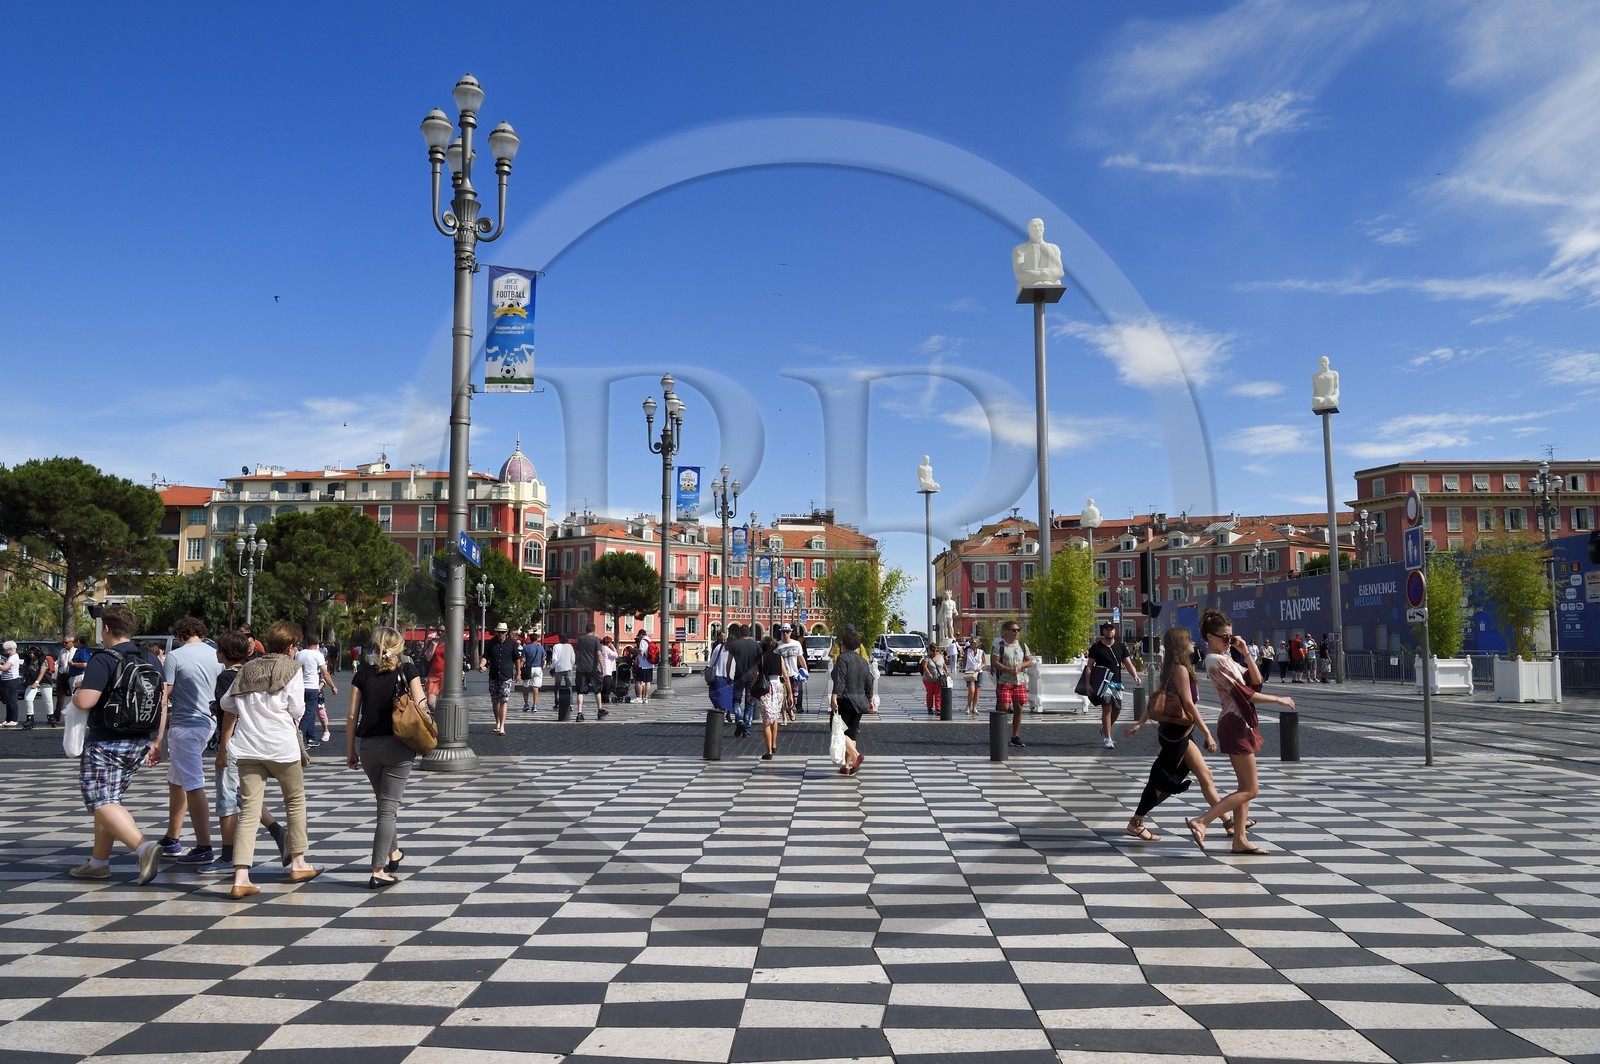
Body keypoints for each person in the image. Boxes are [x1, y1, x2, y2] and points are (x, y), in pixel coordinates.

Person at [217, 621, 321, 898]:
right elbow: (297, 708)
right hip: (282, 747)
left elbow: (227, 704)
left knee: (249, 811)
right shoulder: (292, 669)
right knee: (295, 801)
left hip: (248, 746)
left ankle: (241, 876)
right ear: (290, 647)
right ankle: (298, 863)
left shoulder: (248, 669)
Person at [67, 604, 167, 884]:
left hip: (106, 740)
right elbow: (162, 702)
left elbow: (87, 701)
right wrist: (157, 740)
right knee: (111, 801)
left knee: (99, 800)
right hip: (139, 739)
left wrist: (75, 695)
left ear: (106, 628)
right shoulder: (149, 657)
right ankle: (99, 862)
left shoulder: (104, 658)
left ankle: (143, 847)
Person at [1187, 610, 1295, 856]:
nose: (1228, 642)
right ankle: (1202, 821)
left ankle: (1240, 839)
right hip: (1234, 723)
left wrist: (1245, 652)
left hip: (1241, 721)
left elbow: (1254, 682)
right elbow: (1244, 693)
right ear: (1208, 637)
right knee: (1251, 789)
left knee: (1244, 786)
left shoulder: (1227, 659)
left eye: (1230, 637)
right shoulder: (1214, 661)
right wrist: (1278, 699)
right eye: (1223, 638)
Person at [1121, 627, 1220, 842]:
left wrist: (1140, 723)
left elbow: (1159, 697)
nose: (1194, 642)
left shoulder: (1174, 667)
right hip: (1177, 733)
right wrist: (1208, 732)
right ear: (1180, 644)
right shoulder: (1180, 669)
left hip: (1179, 732)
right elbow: (1189, 704)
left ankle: (1229, 821)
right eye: (1189, 639)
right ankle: (1136, 822)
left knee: (1205, 775)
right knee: (1162, 781)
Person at [346, 626, 424, 889]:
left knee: (384, 804)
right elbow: (422, 704)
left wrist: (350, 750)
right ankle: (378, 870)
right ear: (399, 647)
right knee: (388, 810)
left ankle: (394, 853)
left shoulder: (362, 674)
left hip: (368, 748)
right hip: (398, 747)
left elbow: (351, 716)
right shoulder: (408, 671)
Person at [210, 630, 286, 873]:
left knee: (227, 800)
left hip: (233, 742)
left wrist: (223, 748)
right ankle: (278, 832)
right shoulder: (253, 672)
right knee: (245, 797)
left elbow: (230, 714)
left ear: (221, 653)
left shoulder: (226, 678)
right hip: (253, 741)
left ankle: (228, 855)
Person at [155, 617, 224, 866]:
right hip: (209, 722)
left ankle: (204, 846)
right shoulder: (215, 653)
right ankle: (172, 837)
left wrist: (158, 738)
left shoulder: (175, 656)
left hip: (185, 724)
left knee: (193, 784)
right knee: (177, 779)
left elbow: (165, 696)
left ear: (180, 634)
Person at [1088, 622, 1142, 750]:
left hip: (1117, 683)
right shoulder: (1096, 647)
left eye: (1111, 629)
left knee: (1117, 710)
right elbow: (1089, 666)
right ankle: (1108, 737)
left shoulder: (1121, 647)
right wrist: (1087, 683)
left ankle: (1104, 729)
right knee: (1107, 708)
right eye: (1106, 630)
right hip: (1103, 683)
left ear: (1114, 631)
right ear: (1103, 632)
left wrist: (1135, 676)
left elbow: (1128, 664)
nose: (1109, 632)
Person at [828, 629, 873, 775]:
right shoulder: (863, 661)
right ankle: (846, 766)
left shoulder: (842, 658)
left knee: (838, 730)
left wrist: (834, 696)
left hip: (846, 699)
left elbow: (840, 680)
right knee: (851, 734)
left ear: (843, 645)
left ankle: (856, 756)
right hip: (860, 701)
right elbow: (869, 681)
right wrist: (870, 698)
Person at [992, 621, 1034, 748]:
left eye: (1018, 630)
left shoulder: (1022, 645)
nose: (1016, 632)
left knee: (1019, 708)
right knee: (1004, 707)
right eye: (1014, 630)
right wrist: (1006, 669)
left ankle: (1015, 736)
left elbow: (1029, 661)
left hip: (1019, 681)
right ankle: (999, 732)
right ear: (1005, 631)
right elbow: (995, 662)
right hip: (1005, 681)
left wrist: (1021, 665)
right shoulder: (999, 646)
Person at [293, 635, 337, 748]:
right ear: (317, 643)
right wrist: (333, 686)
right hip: (313, 687)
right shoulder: (318, 655)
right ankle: (299, 735)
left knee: (308, 712)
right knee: (309, 712)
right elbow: (325, 673)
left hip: (300, 686)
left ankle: (310, 738)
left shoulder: (299, 654)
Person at [756, 635, 792, 761]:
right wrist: (790, 694)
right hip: (778, 686)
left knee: (766, 719)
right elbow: (786, 676)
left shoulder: (761, 658)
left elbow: (756, 673)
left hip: (766, 687)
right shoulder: (779, 658)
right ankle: (774, 744)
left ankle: (768, 751)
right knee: (774, 717)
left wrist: (751, 687)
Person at [479, 622, 520, 734]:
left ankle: (502, 726)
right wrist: (481, 665)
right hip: (494, 675)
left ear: (506, 632)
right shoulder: (491, 643)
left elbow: (517, 659)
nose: (500, 634)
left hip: (506, 675)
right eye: (498, 632)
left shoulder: (512, 643)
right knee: (495, 701)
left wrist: (518, 673)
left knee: (504, 700)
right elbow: (485, 656)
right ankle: (497, 722)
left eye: (502, 632)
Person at [725, 624, 762, 739]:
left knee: (736, 701)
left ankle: (739, 720)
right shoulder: (756, 645)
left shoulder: (734, 644)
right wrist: (758, 675)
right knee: (750, 703)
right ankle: (746, 728)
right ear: (750, 633)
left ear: (740, 634)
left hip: (738, 677)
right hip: (752, 678)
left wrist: (727, 675)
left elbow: (729, 661)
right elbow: (760, 663)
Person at [573, 623, 606, 721]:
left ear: (585, 629)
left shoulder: (580, 639)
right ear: (593, 630)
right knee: (597, 689)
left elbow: (578, 652)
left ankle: (579, 713)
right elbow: (599, 654)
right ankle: (600, 710)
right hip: (593, 668)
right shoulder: (595, 640)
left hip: (581, 668)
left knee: (580, 691)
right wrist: (602, 667)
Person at [22, 644, 55, 729]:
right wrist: (25, 678)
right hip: (32, 681)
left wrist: (37, 682)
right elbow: (25, 670)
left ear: (37, 653)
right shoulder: (27, 661)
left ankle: (51, 717)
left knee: (47, 700)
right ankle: (30, 719)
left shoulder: (43, 660)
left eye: (33, 653)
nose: (31, 655)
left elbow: (42, 673)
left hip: (44, 681)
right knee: (28, 698)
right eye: (30, 653)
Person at [776, 623, 802, 720]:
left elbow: (800, 657)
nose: (785, 634)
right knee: (783, 697)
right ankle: (784, 718)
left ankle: (790, 709)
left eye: (787, 632)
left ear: (790, 632)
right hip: (782, 675)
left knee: (794, 697)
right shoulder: (778, 645)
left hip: (794, 674)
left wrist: (805, 669)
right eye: (783, 632)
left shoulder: (796, 643)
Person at [548, 632, 575, 717]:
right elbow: (573, 658)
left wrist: (552, 667)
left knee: (557, 687)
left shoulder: (556, 646)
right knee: (569, 686)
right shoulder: (570, 646)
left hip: (559, 668)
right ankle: (570, 704)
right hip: (568, 667)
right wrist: (571, 665)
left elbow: (554, 659)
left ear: (559, 639)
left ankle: (557, 703)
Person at [519, 632, 545, 712]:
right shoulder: (541, 648)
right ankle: (534, 705)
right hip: (537, 668)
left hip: (528, 668)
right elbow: (543, 659)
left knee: (526, 685)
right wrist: (542, 665)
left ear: (530, 639)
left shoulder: (526, 647)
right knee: (535, 687)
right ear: (537, 639)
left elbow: (523, 660)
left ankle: (526, 704)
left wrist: (519, 670)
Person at [920, 642, 947, 717]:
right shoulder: (927, 658)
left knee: (937, 694)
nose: (935, 652)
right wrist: (928, 673)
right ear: (930, 650)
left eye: (936, 650)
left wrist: (947, 671)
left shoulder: (940, 657)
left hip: (938, 678)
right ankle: (929, 708)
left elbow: (943, 665)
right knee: (930, 694)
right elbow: (924, 666)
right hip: (928, 680)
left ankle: (938, 708)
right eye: (933, 650)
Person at [0, 640, 22, 727]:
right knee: (8, 700)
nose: (4, 651)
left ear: (9, 649)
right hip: (5, 680)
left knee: (12, 700)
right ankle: (8, 719)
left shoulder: (14, 657)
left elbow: (5, 668)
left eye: (5, 649)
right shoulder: (10, 657)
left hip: (11, 681)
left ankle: (14, 719)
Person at [962, 636, 986, 715]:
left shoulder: (981, 652)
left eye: (973, 642)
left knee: (977, 691)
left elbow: (984, 662)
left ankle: (974, 707)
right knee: (971, 690)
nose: (971, 643)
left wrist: (980, 667)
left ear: (977, 644)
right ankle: (968, 705)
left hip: (979, 672)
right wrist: (966, 668)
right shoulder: (967, 651)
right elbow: (964, 660)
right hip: (970, 672)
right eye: (971, 642)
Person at [424, 635, 445, 706]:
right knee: (430, 702)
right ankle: (436, 716)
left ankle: (440, 716)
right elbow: (428, 658)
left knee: (442, 700)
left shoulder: (450, 642)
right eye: (439, 630)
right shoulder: (434, 642)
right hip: (433, 674)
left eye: (443, 631)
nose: (440, 632)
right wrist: (433, 647)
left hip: (445, 674)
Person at [634, 632, 653, 703]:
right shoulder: (649, 640)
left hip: (643, 665)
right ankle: (645, 698)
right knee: (647, 682)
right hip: (650, 664)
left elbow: (641, 653)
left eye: (638, 635)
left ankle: (639, 698)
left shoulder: (642, 641)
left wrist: (636, 651)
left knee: (639, 681)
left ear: (641, 634)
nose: (638, 637)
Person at [599, 635, 618, 705]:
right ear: (608, 643)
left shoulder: (602, 647)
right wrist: (613, 647)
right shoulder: (606, 648)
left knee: (604, 685)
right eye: (610, 643)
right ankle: (606, 699)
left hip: (603, 668)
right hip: (607, 669)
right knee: (607, 686)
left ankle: (603, 699)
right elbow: (616, 655)